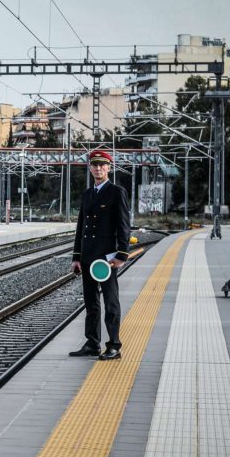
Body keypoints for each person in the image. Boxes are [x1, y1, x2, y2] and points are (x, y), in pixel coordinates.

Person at [69, 149, 130, 361]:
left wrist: (122, 255)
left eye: (102, 165)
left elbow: (124, 226)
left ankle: (114, 345)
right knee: (91, 302)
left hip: (106, 259)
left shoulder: (116, 192)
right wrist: (76, 257)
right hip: (87, 257)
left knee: (111, 302)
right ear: (90, 168)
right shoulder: (88, 194)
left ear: (108, 168)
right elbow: (81, 227)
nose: (98, 168)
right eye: (94, 165)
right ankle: (92, 343)